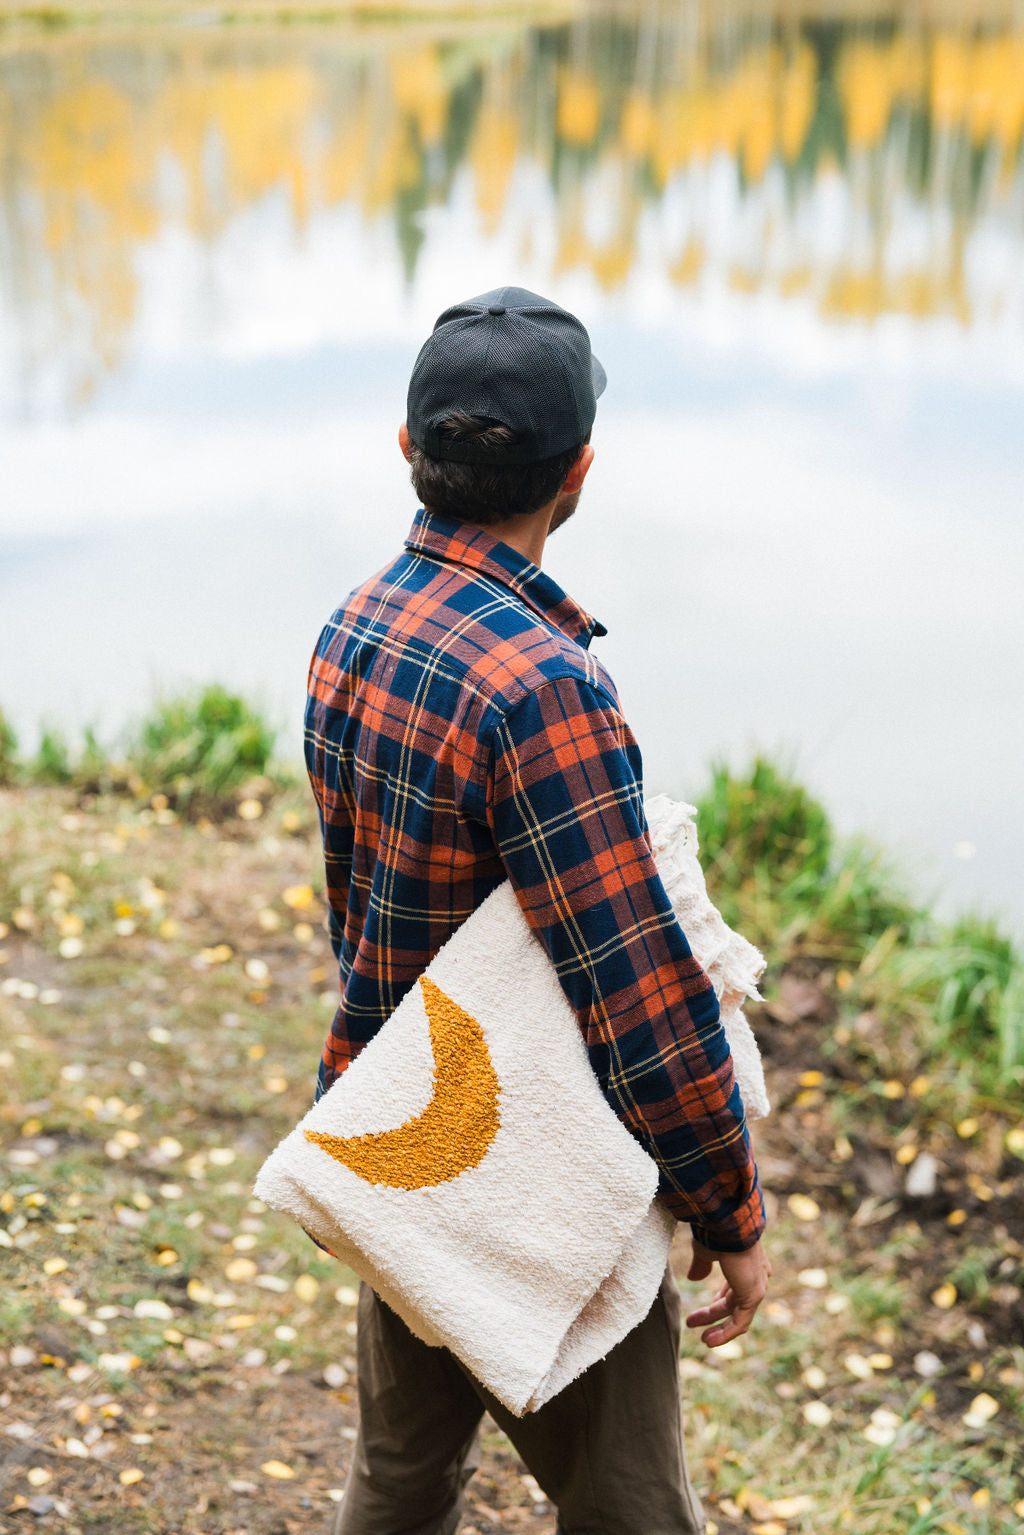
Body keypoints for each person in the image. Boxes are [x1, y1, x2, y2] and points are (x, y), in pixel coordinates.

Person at [304, 286, 769, 1535]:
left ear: (408, 449)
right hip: (528, 1173)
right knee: (631, 1513)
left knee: (400, 1474)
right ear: (579, 474)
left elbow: (358, 900)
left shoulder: (352, 627)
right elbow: (634, 988)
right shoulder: (544, 688)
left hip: (396, 1132)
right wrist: (729, 1205)